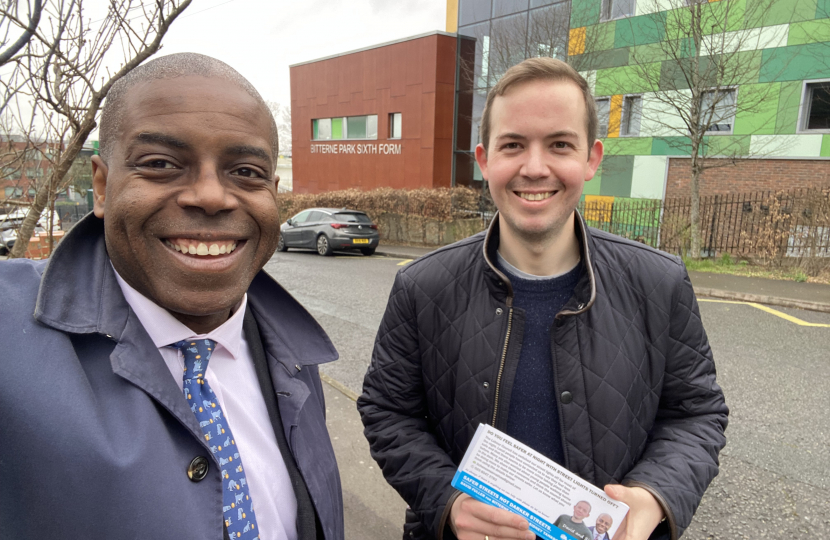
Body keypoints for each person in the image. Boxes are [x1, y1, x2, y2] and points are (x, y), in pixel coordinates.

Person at [358, 57, 728, 540]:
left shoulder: (659, 282)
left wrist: (655, 494)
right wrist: (445, 501)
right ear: (484, 159)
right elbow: (388, 413)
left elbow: (696, 414)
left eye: (559, 144)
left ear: (591, 159)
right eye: (513, 145)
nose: (535, 168)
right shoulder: (422, 286)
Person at [0, 53, 343, 540]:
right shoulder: (8, 335)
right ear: (101, 186)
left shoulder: (293, 353)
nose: (211, 195)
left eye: (245, 171)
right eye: (160, 164)